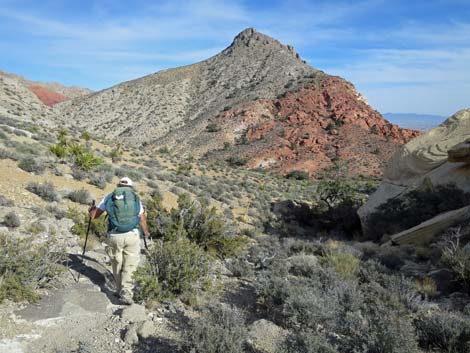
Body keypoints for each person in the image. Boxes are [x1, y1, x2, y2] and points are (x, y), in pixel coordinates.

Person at [89, 176, 149, 304]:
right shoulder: (135, 198)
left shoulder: (109, 197)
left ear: (118, 185)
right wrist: (145, 233)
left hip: (115, 235)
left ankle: (118, 289)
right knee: (130, 264)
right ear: (130, 187)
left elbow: (94, 216)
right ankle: (126, 291)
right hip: (132, 235)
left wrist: (91, 210)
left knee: (117, 262)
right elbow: (142, 218)